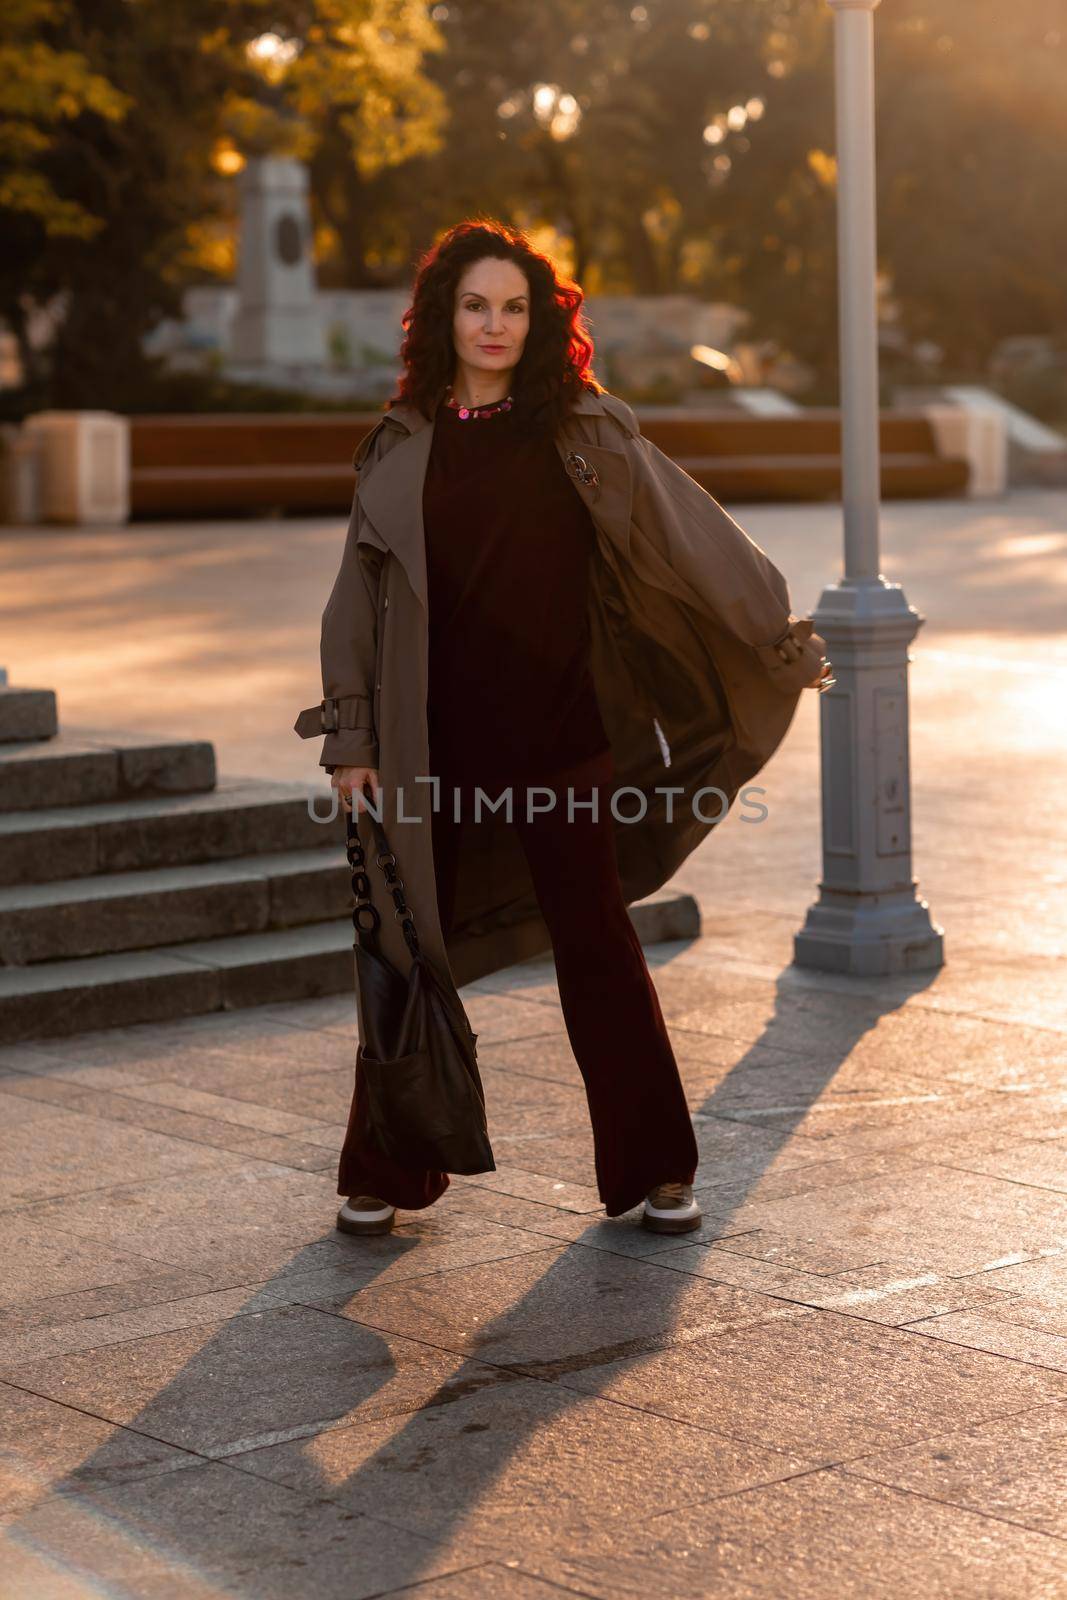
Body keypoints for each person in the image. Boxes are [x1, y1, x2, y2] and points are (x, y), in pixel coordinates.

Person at [299, 221, 832, 1241]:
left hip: (562, 740)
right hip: (432, 750)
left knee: (597, 947)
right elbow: (353, 605)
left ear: (539, 320)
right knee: (410, 947)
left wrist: (774, 634)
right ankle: (386, 1164)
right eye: (474, 306)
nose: (494, 325)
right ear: (442, 320)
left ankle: (654, 1169)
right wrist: (351, 738)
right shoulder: (401, 446)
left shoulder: (582, 431)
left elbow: (694, 532)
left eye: (513, 306)